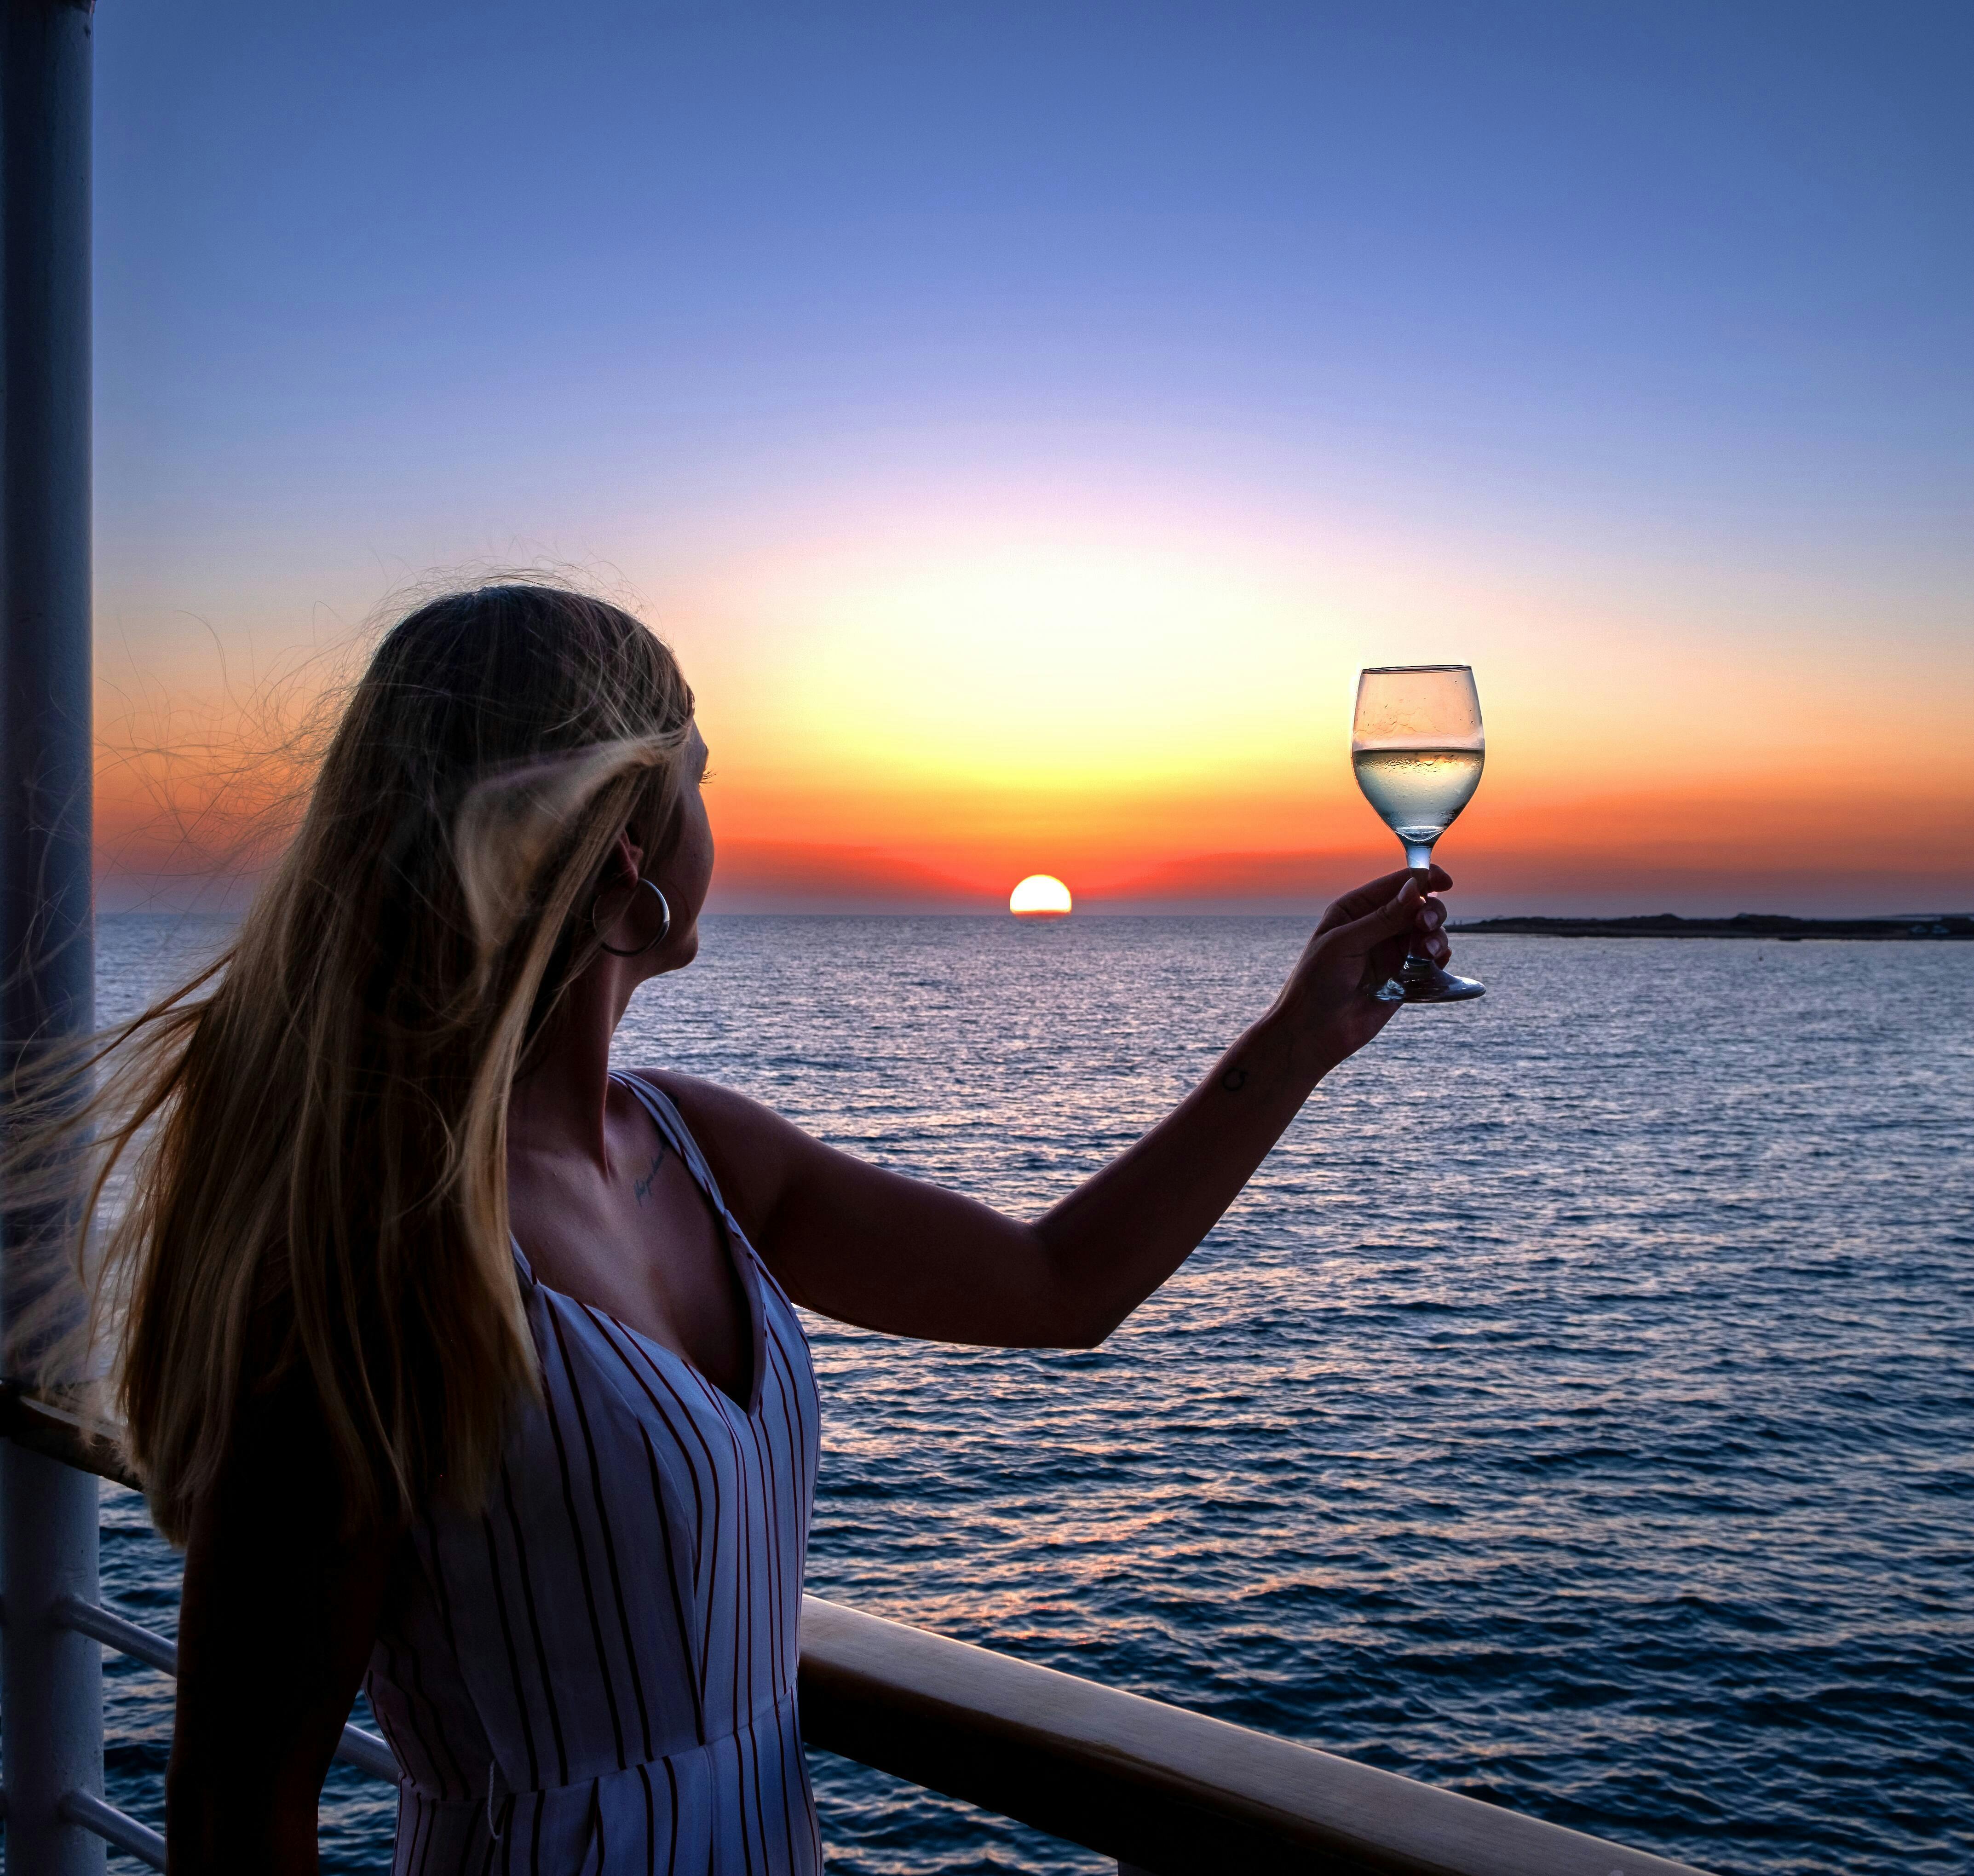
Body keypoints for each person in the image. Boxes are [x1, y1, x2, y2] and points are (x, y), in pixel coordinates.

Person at [39, 583, 1452, 1872]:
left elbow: (1056, 1284)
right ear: (627, 840)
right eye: (703, 777)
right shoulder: (378, 1247)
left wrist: (1301, 1035)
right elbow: (237, 1812)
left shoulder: (695, 1148)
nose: (724, 822)